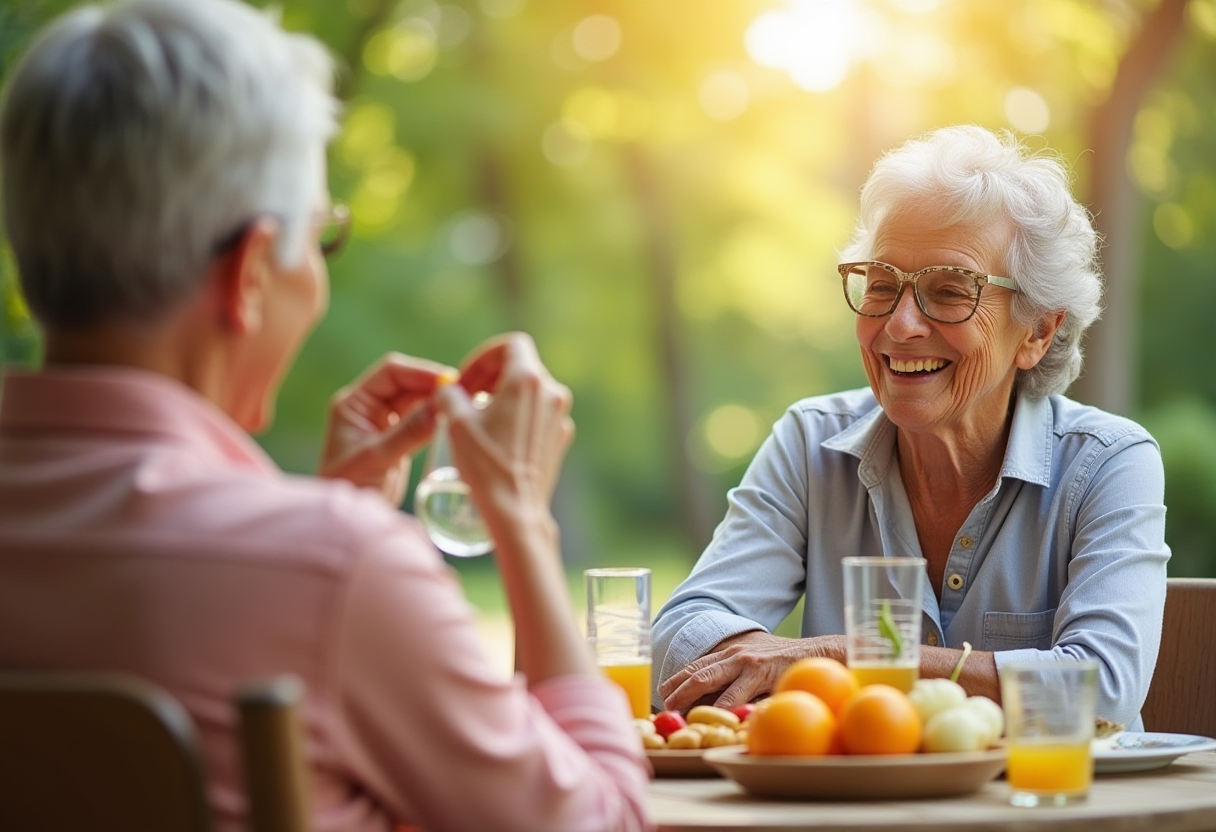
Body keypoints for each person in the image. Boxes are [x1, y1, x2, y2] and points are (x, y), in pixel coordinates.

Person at [0, 2, 650, 831]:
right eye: (318, 239)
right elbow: (606, 822)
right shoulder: (336, 568)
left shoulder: (324, 559)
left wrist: (329, 516)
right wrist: (522, 521)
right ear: (248, 276)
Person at [653, 125, 1168, 730]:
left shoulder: (1109, 462)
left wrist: (840, 656)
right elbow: (680, 632)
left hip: (1046, 817)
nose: (900, 325)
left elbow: (1102, 688)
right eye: (881, 284)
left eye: (950, 291)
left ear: (1037, 331)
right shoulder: (809, 442)